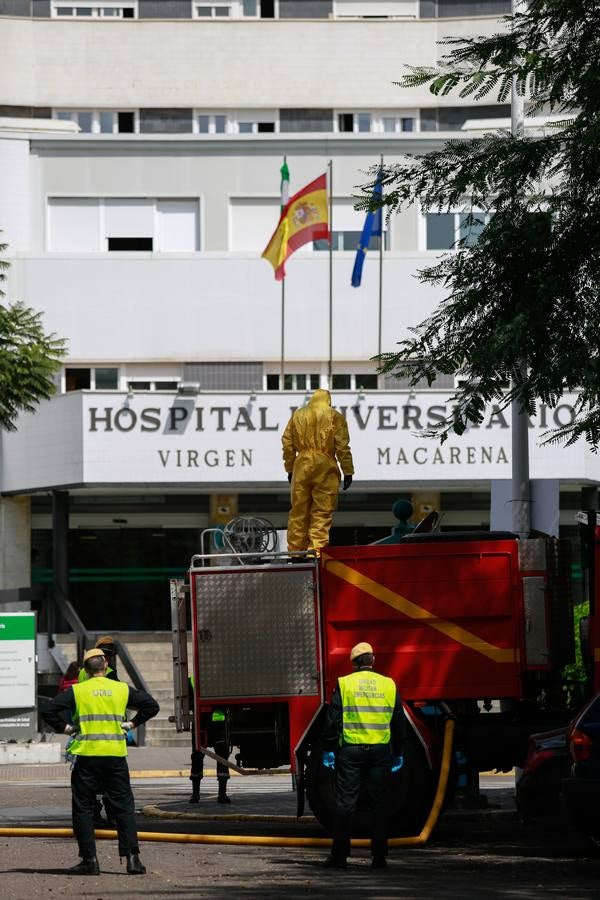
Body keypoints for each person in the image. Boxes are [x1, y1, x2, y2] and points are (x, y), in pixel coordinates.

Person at [42, 647, 159, 876]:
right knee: (123, 807)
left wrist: (67, 729)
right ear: (106, 666)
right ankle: (133, 859)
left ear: (85, 670)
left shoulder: (78, 690)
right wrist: (133, 724)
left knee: (84, 808)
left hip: (87, 756)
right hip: (115, 756)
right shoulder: (121, 689)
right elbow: (151, 706)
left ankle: (89, 860)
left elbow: (49, 709)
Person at [320, 641, 407, 870]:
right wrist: (399, 751)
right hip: (380, 752)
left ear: (353, 663)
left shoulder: (345, 684)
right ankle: (379, 858)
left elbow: (333, 719)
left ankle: (340, 856)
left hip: (351, 752)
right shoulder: (388, 685)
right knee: (380, 805)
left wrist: (328, 748)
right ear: (373, 660)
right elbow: (399, 721)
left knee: (345, 804)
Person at [282, 388, 354, 554]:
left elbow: (287, 443)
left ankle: (295, 551)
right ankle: (315, 550)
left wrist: (290, 467)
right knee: (322, 511)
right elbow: (342, 446)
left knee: (298, 510)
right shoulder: (334, 416)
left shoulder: (297, 415)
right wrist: (348, 470)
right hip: (325, 465)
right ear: (328, 400)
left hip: (302, 465)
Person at [188, 676, 231, 804]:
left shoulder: (192, 679)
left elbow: (189, 703)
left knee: (198, 757)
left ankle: (196, 795)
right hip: (217, 723)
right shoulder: (221, 678)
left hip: (202, 723)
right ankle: (221, 795)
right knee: (221, 757)